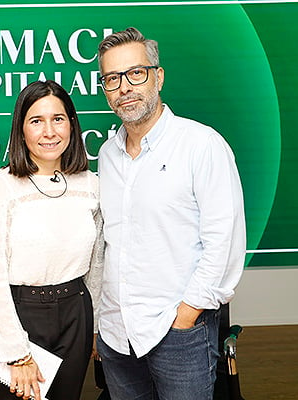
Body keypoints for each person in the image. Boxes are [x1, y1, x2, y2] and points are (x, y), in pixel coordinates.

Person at [95, 27, 246, 400]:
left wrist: (186, 315)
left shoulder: (201, 145)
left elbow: (223, 241)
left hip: (178, 332)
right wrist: (101, 321)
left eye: (136, 73)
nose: (124, 87)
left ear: (158, 76)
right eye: (112, 78)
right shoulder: (107, 156)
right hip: (117, 334)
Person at [0, 80, 104, 400]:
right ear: (20, 130)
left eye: (58, 119)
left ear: (72, 125)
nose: (49, 131)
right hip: (18, 316)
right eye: (37, 121)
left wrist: (96, 326)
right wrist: (17, 353)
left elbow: (98, 264)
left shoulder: (92, 184)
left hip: (76, 313)